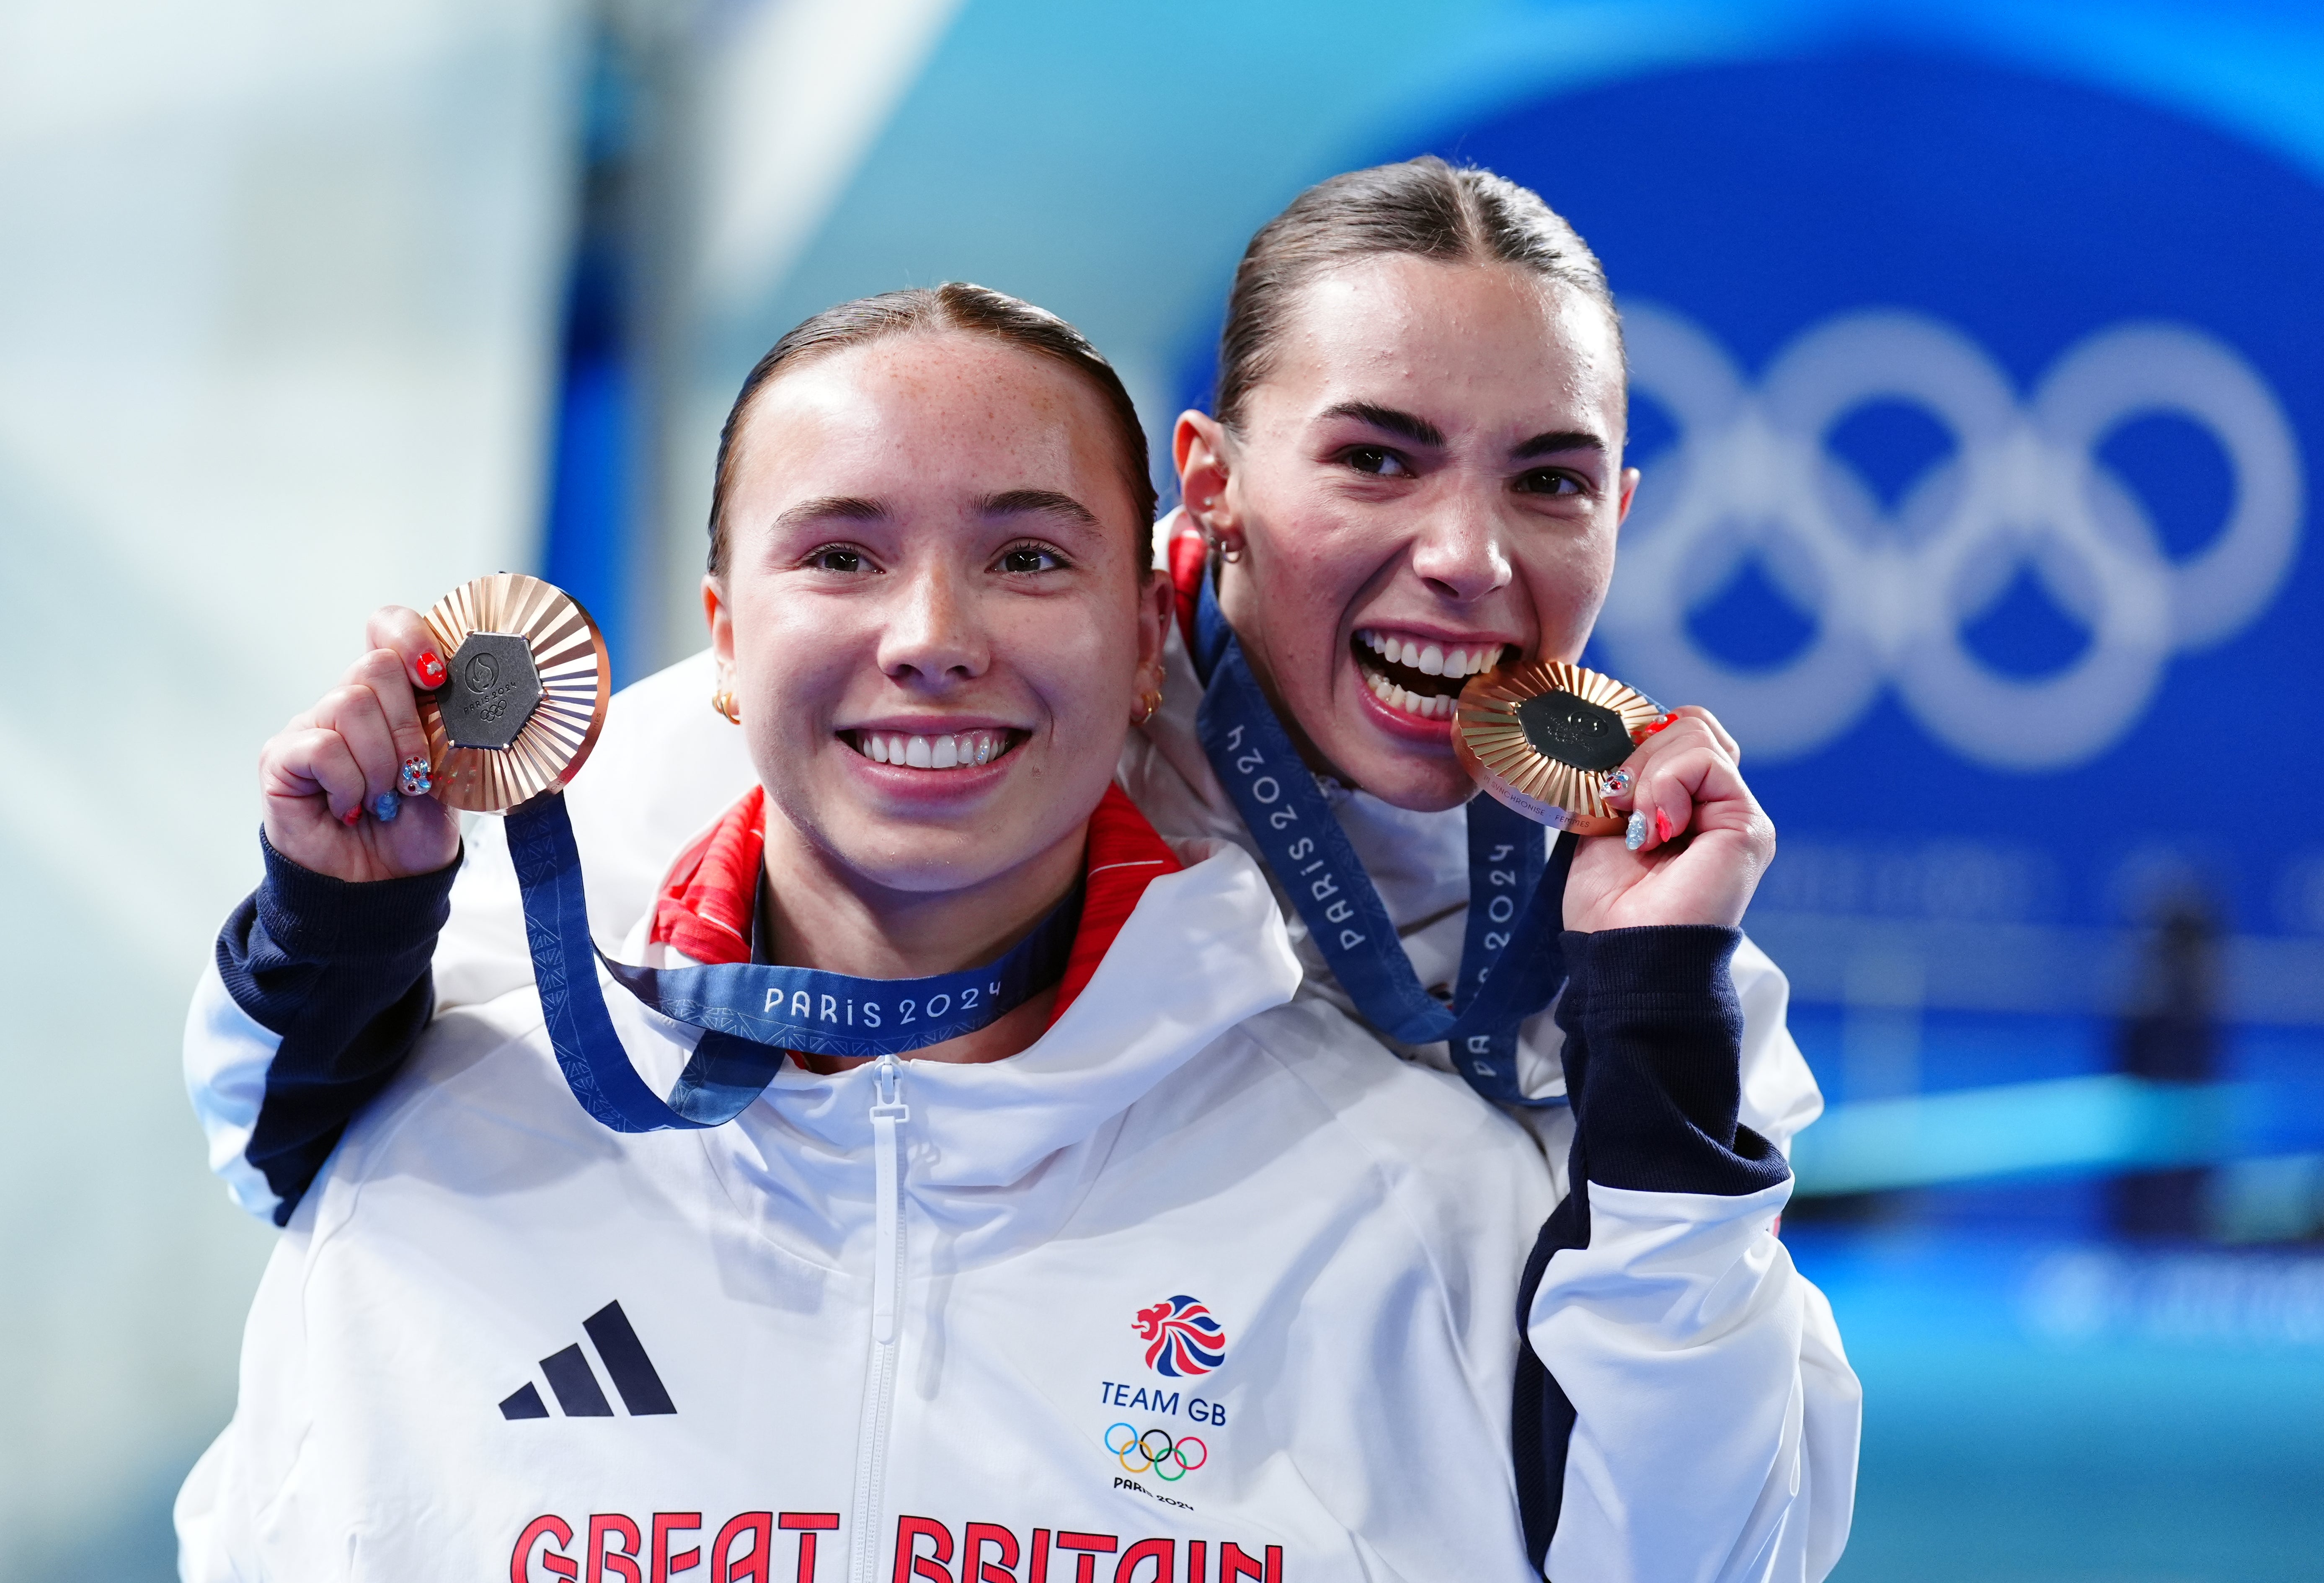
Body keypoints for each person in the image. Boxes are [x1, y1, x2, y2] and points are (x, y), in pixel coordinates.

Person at [189, 161, 1858, 1579]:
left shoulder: (1646, 923)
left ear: (1621, 512)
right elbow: (315, 1132)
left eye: (1548, 482)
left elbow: (1715, 1541)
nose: (1467, 556)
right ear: (1203, 494)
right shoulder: (753, 760)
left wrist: (1656, 1015)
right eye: (1376, 456)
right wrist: (336, 921)